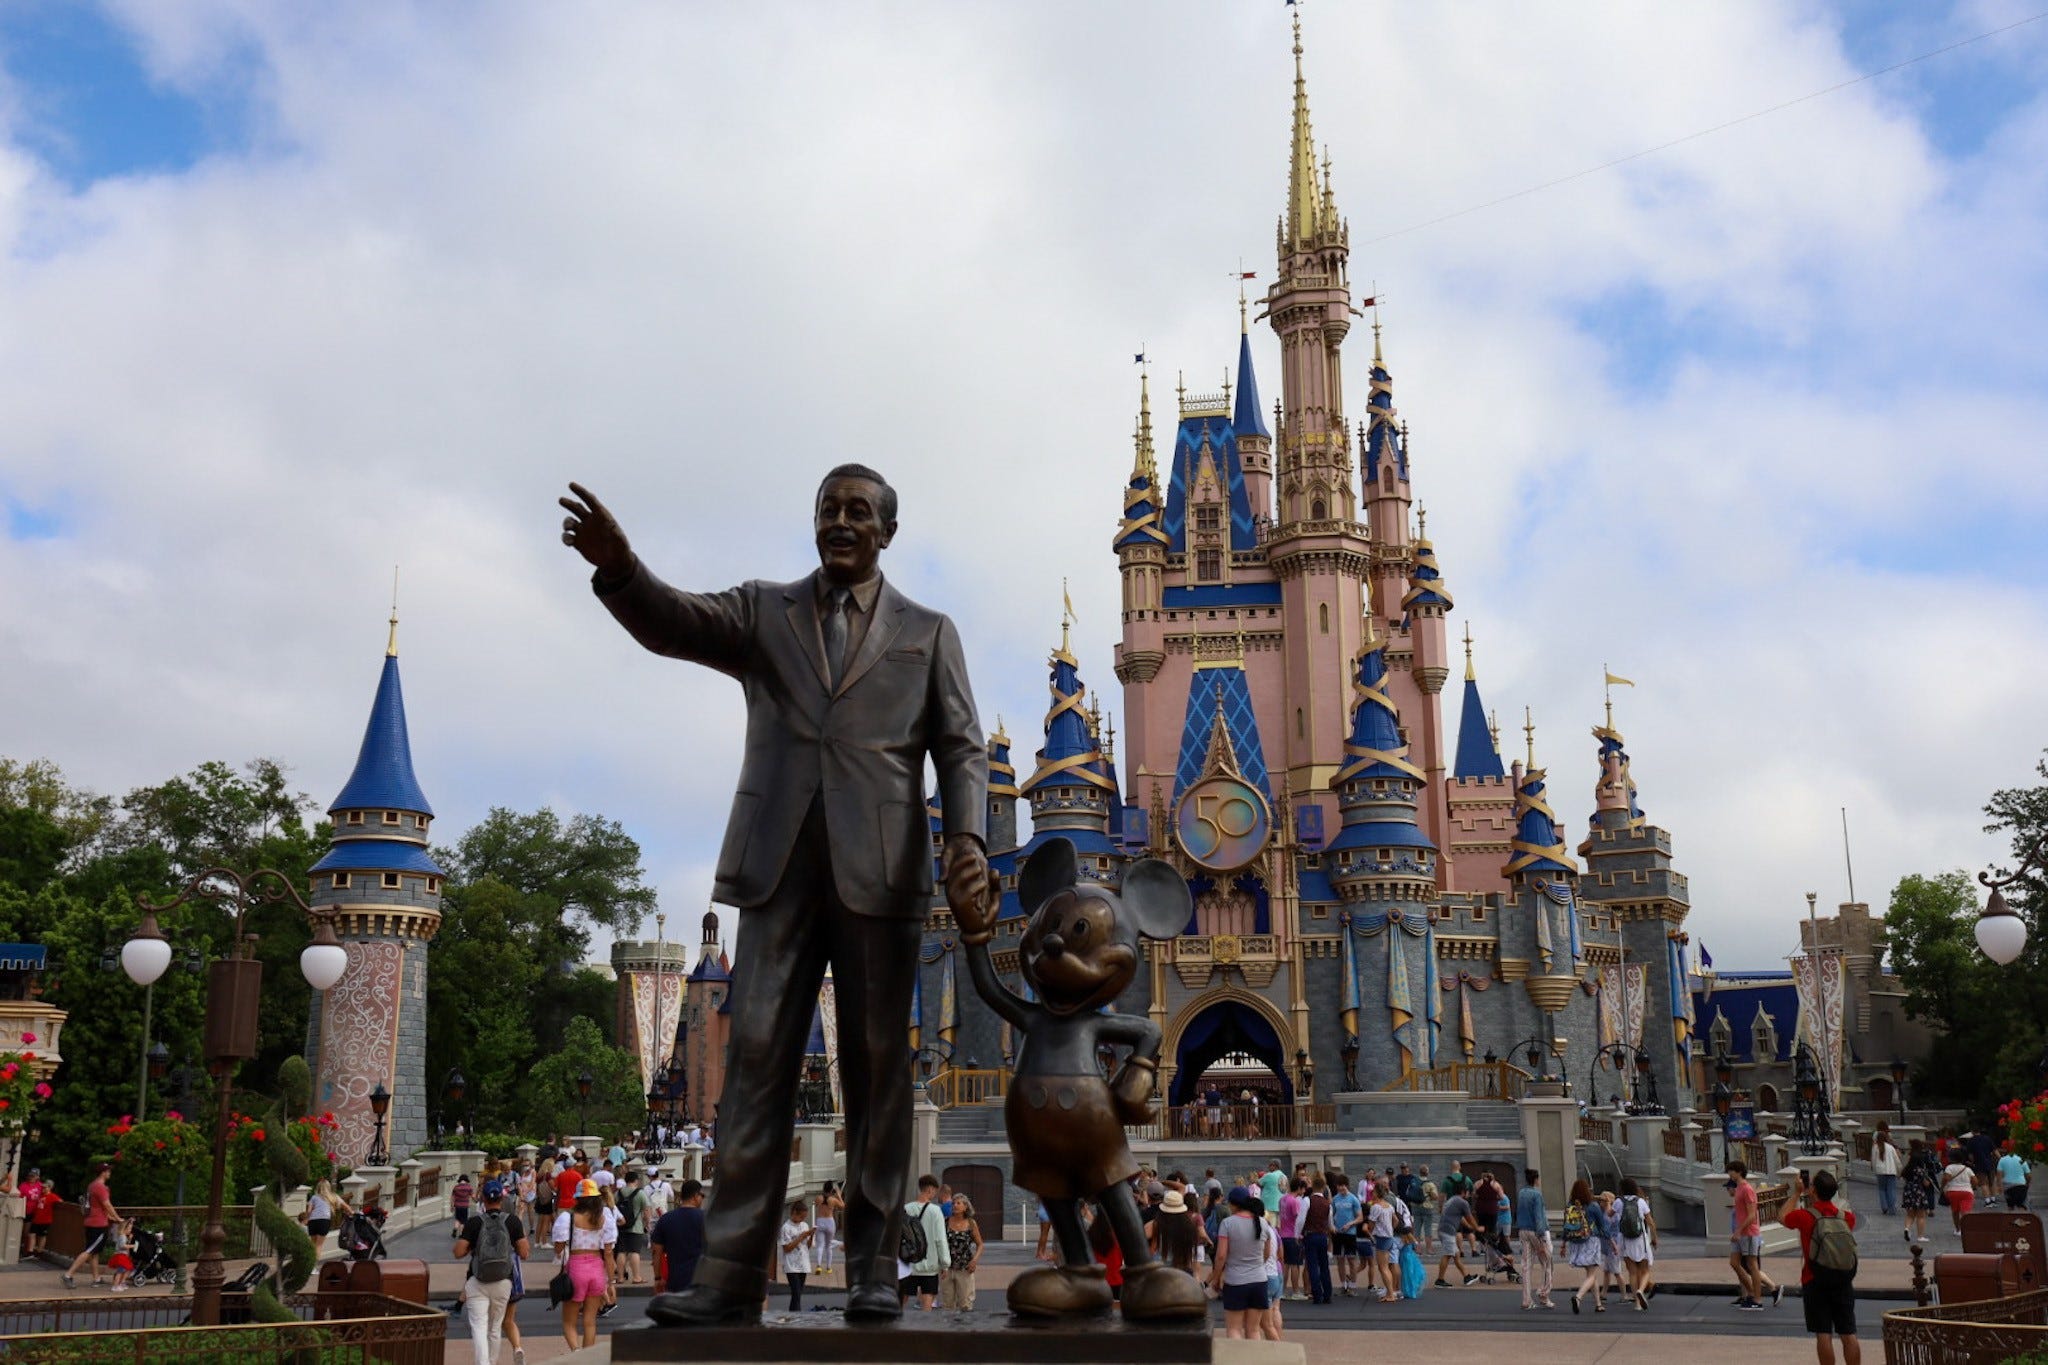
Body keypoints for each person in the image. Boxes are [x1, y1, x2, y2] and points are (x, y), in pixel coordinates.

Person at [563, 469, 988, 1329]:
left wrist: (968, 842)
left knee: (878, 1076)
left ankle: (874, 1269)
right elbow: (676, 621)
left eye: (858, 512)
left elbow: (962, 746)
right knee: (754, 1064)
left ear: (887, 532)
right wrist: (621, 568)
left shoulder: (929, 631)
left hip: (882, 874)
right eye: (829, 509)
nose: (841, 522)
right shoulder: (766, 611)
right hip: (776, 870)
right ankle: (727, 1275)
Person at [1782, 1169, 1860, 1365]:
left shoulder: (1805, 1216)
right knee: (1848, 1332)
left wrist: (1797, 1192)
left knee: (1823, 1333)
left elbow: (1782, 1216)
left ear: (1813, 1190)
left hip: (1814, 1279)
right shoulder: (1847, 1217)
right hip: (1842, 1279)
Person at [451, 1177, 530, 1365]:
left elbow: (458, 1252)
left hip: (477, 1280)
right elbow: (524, 1253)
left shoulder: (474, 1222)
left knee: (479, 1327)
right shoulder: (512, 1221)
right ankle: (492, 1362)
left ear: (483, 1199)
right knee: (495, 1328)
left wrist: (472, 1246)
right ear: (501, 1199)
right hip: (503, 1280)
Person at [553, 1179, 615, 1350]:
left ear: (577, 1198)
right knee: (590, 1322)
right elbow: (608, 1253)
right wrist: (611, 1282)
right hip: (597, 1269)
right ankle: (587, 1357)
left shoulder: (568, 1218)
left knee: (569, 1322)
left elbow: (558, 1249)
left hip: (576, 1268)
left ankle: (576, 1353)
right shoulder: (604, 1219)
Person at [1211, 1189, 1272, 1340]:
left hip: (1235, 1281)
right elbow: (1267, 1253)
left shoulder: (1228, 1223)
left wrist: (1216, 1278)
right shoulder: (1263, 1222)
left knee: (1234, 1328)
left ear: (1233, 1204)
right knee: (1253, 1330)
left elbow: (1221, 1256)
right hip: (1259, 1280)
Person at [1727, 1160, 1782, 1311]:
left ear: (1739, 1172)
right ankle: (1750, 1293)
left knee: (1752, 1266)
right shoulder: (1739, 1188)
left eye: (1731, 1171)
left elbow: (1752, 1215)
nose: (1729, 1174)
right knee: (1734, 1263)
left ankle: (1757, 1299)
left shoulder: (1747, 1189)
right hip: (1740, 1232)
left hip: (1749, 1233)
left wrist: (1739, 1230)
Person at [63, 1162, 118, 1289]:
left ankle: (96, 1278)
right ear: (103, 1173)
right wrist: (117, 1217)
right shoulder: (100, 1187)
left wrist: (109, 1216)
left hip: (90, 1221)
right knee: (89, 1251)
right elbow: (107, 1204)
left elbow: (97, 1205)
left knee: (94, 1252)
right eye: (108, 1171)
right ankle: (68, 1275)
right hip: (98, 1223)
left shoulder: (92, 1185)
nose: (109, 1173)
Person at [900, 1175, 950, 1310]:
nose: (935, 1194)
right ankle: (925, 1321)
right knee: (927, 1296)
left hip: (908, 1263)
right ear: (930, 1189)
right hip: (929, 1265)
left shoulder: (906, 1208)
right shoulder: (936, 1211)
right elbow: (940, 1239)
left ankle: (896, 1320)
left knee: (903, 1296)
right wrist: (945, 1263)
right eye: (935, 1191)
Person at [650, 1179, 707, 1293]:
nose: (702, 1199)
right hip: (702, 1280)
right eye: (702, 1196)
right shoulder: (706, 1218)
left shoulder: (666, 1219)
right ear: (695, 1196)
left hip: (675, 1281)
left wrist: (658, 1278)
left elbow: (656, 1252)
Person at [1564, 1180, 1607, 1313]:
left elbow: (1565, 1225)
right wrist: (1611, 1241)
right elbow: (1602, 1226)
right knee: (1592, 1274)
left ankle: (1598, 1304)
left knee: (1590, 1274)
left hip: (1575, 1241)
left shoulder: (1570, 1205)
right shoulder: (1593, 1205)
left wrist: (1563, 1244)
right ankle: (1578, 1297)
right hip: (1591, 1241)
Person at [1514, 1168, 1554, 1310]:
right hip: (1535, 1232)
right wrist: (1542, 1240)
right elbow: (1539, 1217)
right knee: (1547, 1263)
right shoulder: (1537, 1195)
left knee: (1526, 1266)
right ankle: (1544, 1294)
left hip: (1523, 1230)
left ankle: (1526, 1300)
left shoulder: (1521, 1193)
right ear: (1536, 1179)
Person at [1616, 1177, 1656, 1309]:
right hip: (1640, 1239)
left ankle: (1637, 1304)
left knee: (1632, 1272)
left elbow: (1610, 1214)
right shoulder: (1641, 1202)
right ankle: (1641, 1290)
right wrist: (1654, 1238)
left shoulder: (1618, 1202)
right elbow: (1650, 1222)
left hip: (1625, 1240)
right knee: (1645, 1270)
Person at [1435, 1180, 1478, 1289]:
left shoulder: (1452, 1200)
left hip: (1443, 1229)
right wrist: (1477, 1228)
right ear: (1463, 1191)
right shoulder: (1462, 1202)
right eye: (1467, 1191)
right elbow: (1469, 1217)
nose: (1469, 1194)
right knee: (1447, 1254)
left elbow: (1461, 1217)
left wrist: (1469, 1226)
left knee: (1456, 1254)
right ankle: (1440, 1280)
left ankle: (1467, 1277)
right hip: (1448, 1231)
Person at [941, 1195, 983, 1308]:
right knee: (947, 1304)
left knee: (965, 1303)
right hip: (947, 1268)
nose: (955, 1205)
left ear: (965, 1207)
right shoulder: (945, 1222)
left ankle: (965, 1320)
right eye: (953, 1203)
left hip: (965, 1268)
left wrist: (974, 1261)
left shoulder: (971, 1223)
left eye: (958, 1203)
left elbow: (980, 1244)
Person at [1301, 1176, 1333, 1305]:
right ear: (1324, 1187)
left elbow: (1301, 1219)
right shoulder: (1327, 1203)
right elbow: (1330, 1222)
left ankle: (1317, 1294)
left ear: (1313, 1186)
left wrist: (1297, 1234)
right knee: (1324, 1265)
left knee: (1312, 1265)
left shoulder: (1307, 1200)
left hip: (1310, 1234)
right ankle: (1327, 1294)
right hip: (1323, 1235)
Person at [1330, 1173, 1363, 1296]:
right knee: (1340, 1259)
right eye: (1339, 1186)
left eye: (1343, 1185)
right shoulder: (1335, 1199)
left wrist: (1350, 1224)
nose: (1341, 1188)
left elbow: (1360, 1217)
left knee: (1351, 1260)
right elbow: (1331, 1215)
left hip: (1350, 1233)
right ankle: (1343, 1285)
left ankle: (1352, 1286)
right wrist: (1332, 1225)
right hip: (1338, 1233)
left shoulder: (1353, 1199)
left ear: (1347, 1186)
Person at [616, 1171, 651, 1285]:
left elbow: (613, 1208)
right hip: (636, 1227)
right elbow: (646, 1210)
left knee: (621, 1251)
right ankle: (636, 1277)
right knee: (634, 1252)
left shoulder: (618, 1193)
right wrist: (647, 1223)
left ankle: (620, 1277)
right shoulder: (640, 1193)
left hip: (621, 1226)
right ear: (636, 1180)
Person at [779, 1201, 814, 1310]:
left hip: (803, 1263)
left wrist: (811, 1236)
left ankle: (793, 1315)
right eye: (801, 1217)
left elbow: (807, 1246)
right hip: (791, 1265)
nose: (802, 1219)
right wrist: (801, 1237)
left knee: (798, 1295)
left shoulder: (804, 1225)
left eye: (804, 1217)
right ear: (794, 1212)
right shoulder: (786, 1227)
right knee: (796, 1292)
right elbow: (787, 1248)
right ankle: (796, 1315)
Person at [1940, 1152, 1980, 1232]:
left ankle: (1958, 1230)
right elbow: (1975, 1181)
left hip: (1952, 1191)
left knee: (1955, 1211)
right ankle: (1966, 1229)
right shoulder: (1968, 1169)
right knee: (1965, 1212)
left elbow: (1946, 1178)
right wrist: (1972, 1187)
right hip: (1967, 1192)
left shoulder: (1949, 1167)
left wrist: (1942, 1187)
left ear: (1951, 1159)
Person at [304, 1178, 342, 1257]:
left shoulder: (314, 1197)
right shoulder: (332, 1197)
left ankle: (311, 1263)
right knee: (319, 1245)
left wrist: (306, 1219)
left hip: (313, 1221)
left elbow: (309, 1210)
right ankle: (315, 1263)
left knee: (313, 1244)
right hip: (324, 1221)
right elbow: (338, 1207)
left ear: (318, 1187)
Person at [1871, 1125, 1901, 1216]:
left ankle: (1884, 1207)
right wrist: (1899, 1170)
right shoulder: (1890, 1147)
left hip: (1880, 1172)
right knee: (1891, 1190)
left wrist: (1874, 1169)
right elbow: (1896, 1160)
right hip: (1891, 1171)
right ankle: (1892, 1208)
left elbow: (1873, 1160)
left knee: (1882, 1190)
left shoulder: (1875, 1147)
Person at [814, 1180, 843, 1277]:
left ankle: (818, 1266)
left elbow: (816, 1204)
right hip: (830, 1222)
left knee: (820, 1245)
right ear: (831, 1189)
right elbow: (843, 1206)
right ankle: (828, 1267)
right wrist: (839, 1196)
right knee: (828, 1245)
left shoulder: (818, 1198)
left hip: (820, 1221)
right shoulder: (833, 1200)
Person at [18, 1168, 46, 1261]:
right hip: (24, 1211)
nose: (31, 1177)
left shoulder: (40, 1186)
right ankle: (22, 1250)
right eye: (30, 1175)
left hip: (35, 1212)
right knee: (24, 1232)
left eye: (33, 1176)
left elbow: (47, 1194)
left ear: (37, 1177)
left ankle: (27, 1251)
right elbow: (19, 1197)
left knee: (29, 1232)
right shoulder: (23, 1185)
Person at [1998, 1146, 2031, 1210]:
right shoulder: (2021, 1160)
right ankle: (2022, 1215)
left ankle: (2011, 1215)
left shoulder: (2002, 1160)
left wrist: (2000, 1187)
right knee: (2021, 1206)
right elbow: (2028, 1175)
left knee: (2010, 1206)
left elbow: (1999, 1175)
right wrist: (2027, 1183)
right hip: (2021, 1186)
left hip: (2008, 1187)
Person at [450, 1172, 475, 1237]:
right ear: (466, 1180)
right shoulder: (469, 1187)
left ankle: (455, 1228)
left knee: (458, 1219)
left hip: (457, 1206)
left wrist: (452, 1206)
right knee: (463, 1221)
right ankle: (461, 1234)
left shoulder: (456, 1187)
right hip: (465, 1206)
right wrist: (476, 1200)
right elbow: (473, 1196)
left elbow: (452, 1197)